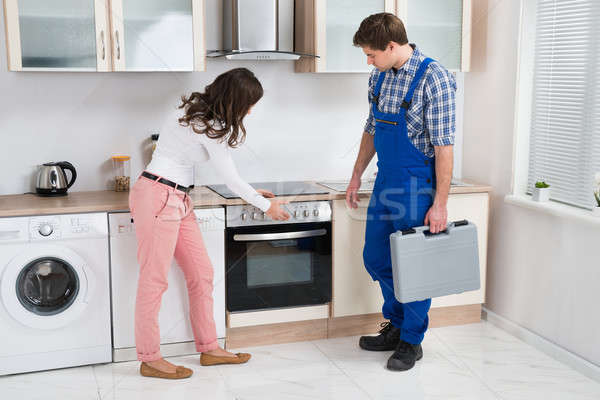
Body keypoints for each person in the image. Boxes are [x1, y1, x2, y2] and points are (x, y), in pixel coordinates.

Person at [129, 68, 290, 379]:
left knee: (202, 272)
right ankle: (149, 358)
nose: (251, 110)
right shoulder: (207, 124)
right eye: (249, 103)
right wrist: (266, 205)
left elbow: (205, 166)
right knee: (154, 280)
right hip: (158, 194)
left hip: (176, 196)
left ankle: (209, 348)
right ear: (236, 101)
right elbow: (229, 178)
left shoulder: (194, 114)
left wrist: (254, 194)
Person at [346, 13, 456, 371]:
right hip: (385, 181)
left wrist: (440, 204)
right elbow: (372, 128)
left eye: (371, 54)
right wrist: (356, 175)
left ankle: (411, 340)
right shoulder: (379, 76)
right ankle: (395, 324)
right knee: (376, 258)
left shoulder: (435, 79)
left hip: (417, 185)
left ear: (392, 46)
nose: (368, 61)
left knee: (414, 265)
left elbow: (444, 147)